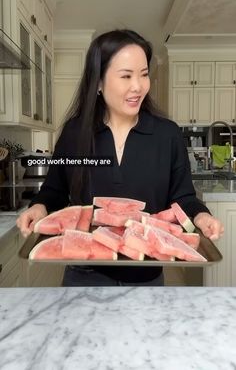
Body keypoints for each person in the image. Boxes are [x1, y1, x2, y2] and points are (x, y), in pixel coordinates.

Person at [16, 29, 224, 286]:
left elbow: (183, 199)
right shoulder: (75, 132)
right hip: (83, 274)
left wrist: (201, 216)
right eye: (126, 76)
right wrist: (39, 207)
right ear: (99, 83)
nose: (138, 86)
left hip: (147, 275)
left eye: (144, 74)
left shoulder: (166, 134)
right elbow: (54, 192)